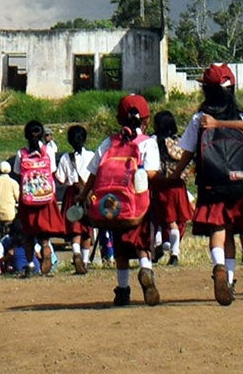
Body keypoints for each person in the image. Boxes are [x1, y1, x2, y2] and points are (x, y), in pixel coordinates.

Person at [171, 63, 243, 305]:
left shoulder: (199, 119)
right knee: (232, 232)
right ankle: (230, 280)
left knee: (218, 231)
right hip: (239, 184)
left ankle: (219, 266)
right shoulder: (242, 120)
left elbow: (188, 153)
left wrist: (175, 175)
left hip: (211, 184)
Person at [84, 92, 162, 307]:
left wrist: (83, 195)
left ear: (119, 119)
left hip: (113, 205)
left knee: (120, 249)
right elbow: (152, 173)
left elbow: (93, 172)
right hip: (139, 205)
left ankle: (123, 290)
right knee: (141, 242)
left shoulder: (108, 142)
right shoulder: (148, 143)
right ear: (146, 120)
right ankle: (146, 269)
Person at [13, 120, 66, 277]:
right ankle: (46, 250)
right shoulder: (48, 152)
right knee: (44, 235)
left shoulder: (20, 153)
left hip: (28, 199)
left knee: (28, 233)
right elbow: (53, 171)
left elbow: (17, 174)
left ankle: (30, 265)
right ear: (42, 134)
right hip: (46, 198)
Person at [145, 109, 192, 267]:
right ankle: (174, 250)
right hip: (178, 184)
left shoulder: (154, 141)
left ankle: (163, 247)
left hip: (161, 183)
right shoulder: (180, 141)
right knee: (176, 220)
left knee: (160, 218)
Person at [56, 123, 98, 274]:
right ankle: (85, 261)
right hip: (87, 193)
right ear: (85, 139)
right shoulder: (92, 155)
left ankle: (76, 253)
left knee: (75, 227)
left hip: (72, 193)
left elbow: (61, 179)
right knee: (87, 228)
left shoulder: (66, 158)